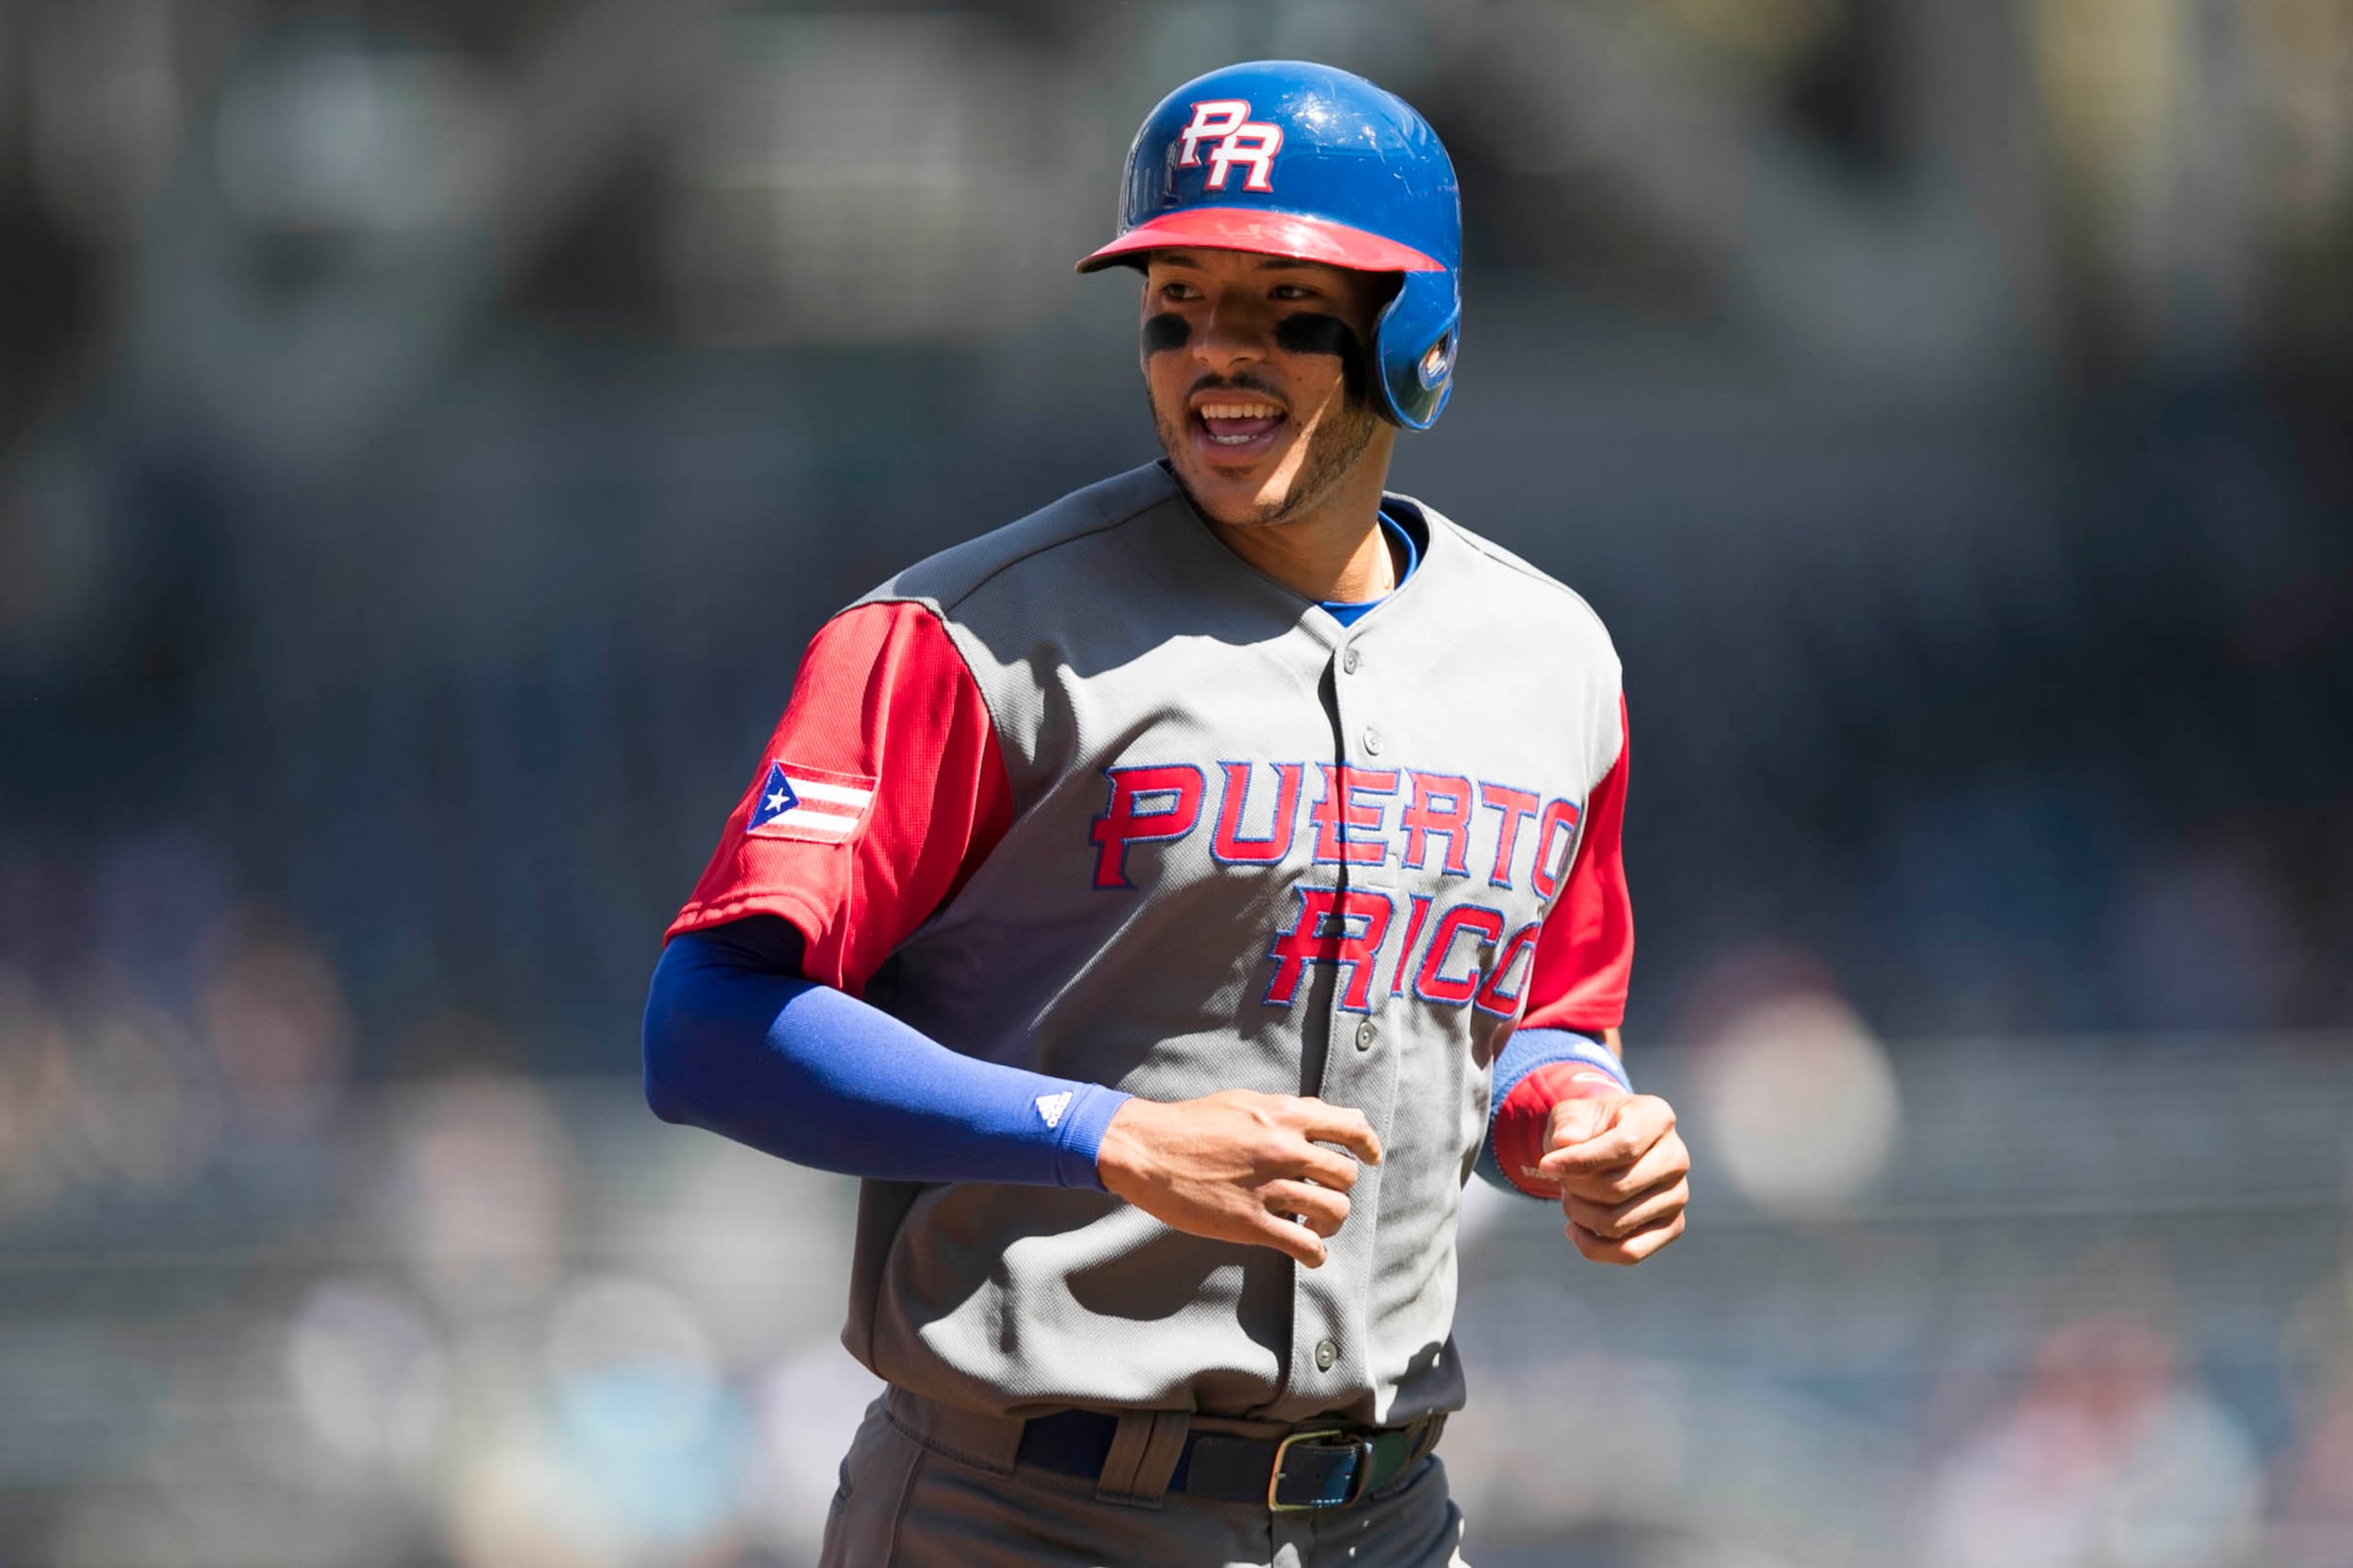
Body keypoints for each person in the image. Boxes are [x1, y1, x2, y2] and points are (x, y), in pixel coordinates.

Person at [641, 59, 1690, 1567]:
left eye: (1283, 304)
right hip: (1023, 1509)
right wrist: (1106, 1137)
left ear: (1418, 337)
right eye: (1179, 302)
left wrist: (1571, 1119)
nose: (1218, 353)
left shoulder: (1552, 661)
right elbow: (705, 1023)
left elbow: (1543, 1020)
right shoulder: (967, 636)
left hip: (1387, 1515)